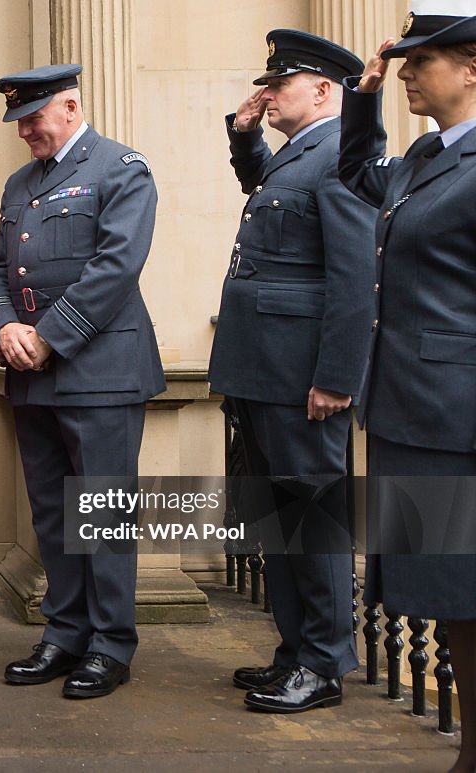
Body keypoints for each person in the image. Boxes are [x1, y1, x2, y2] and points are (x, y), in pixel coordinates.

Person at [0, 64, 165, 699]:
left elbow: (116, 267)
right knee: (56, 514)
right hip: (31, 374)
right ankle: (65, 633)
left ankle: (111, 644)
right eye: (18, 121)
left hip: (100, 370)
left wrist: (46, 336)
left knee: (103, 515)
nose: (25, 130)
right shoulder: (18, 183)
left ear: (71, 104)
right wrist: (6, 326)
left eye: (34, 117)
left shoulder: (121, 168)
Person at [210, 30, 374, 714]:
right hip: (262, 366)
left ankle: (327, 660)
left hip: (301, 370)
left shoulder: (342, 154)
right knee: (277, 518)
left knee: (312, 518)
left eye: (281, 84)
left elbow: (355, 275)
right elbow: (270, 198)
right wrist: (246, 137)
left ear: (324, 90)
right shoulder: (297, 156)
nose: (267, 93)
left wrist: (337, 376)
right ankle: (294, 650)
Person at [339, 4, 476, 768]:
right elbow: (361, 174)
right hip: (415, 411)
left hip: (460, 414)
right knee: (452, 594)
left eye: (422, 59)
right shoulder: (427, 158)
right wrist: (365, 96)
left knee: (467, 588)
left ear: (472, 67)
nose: (408, 72)